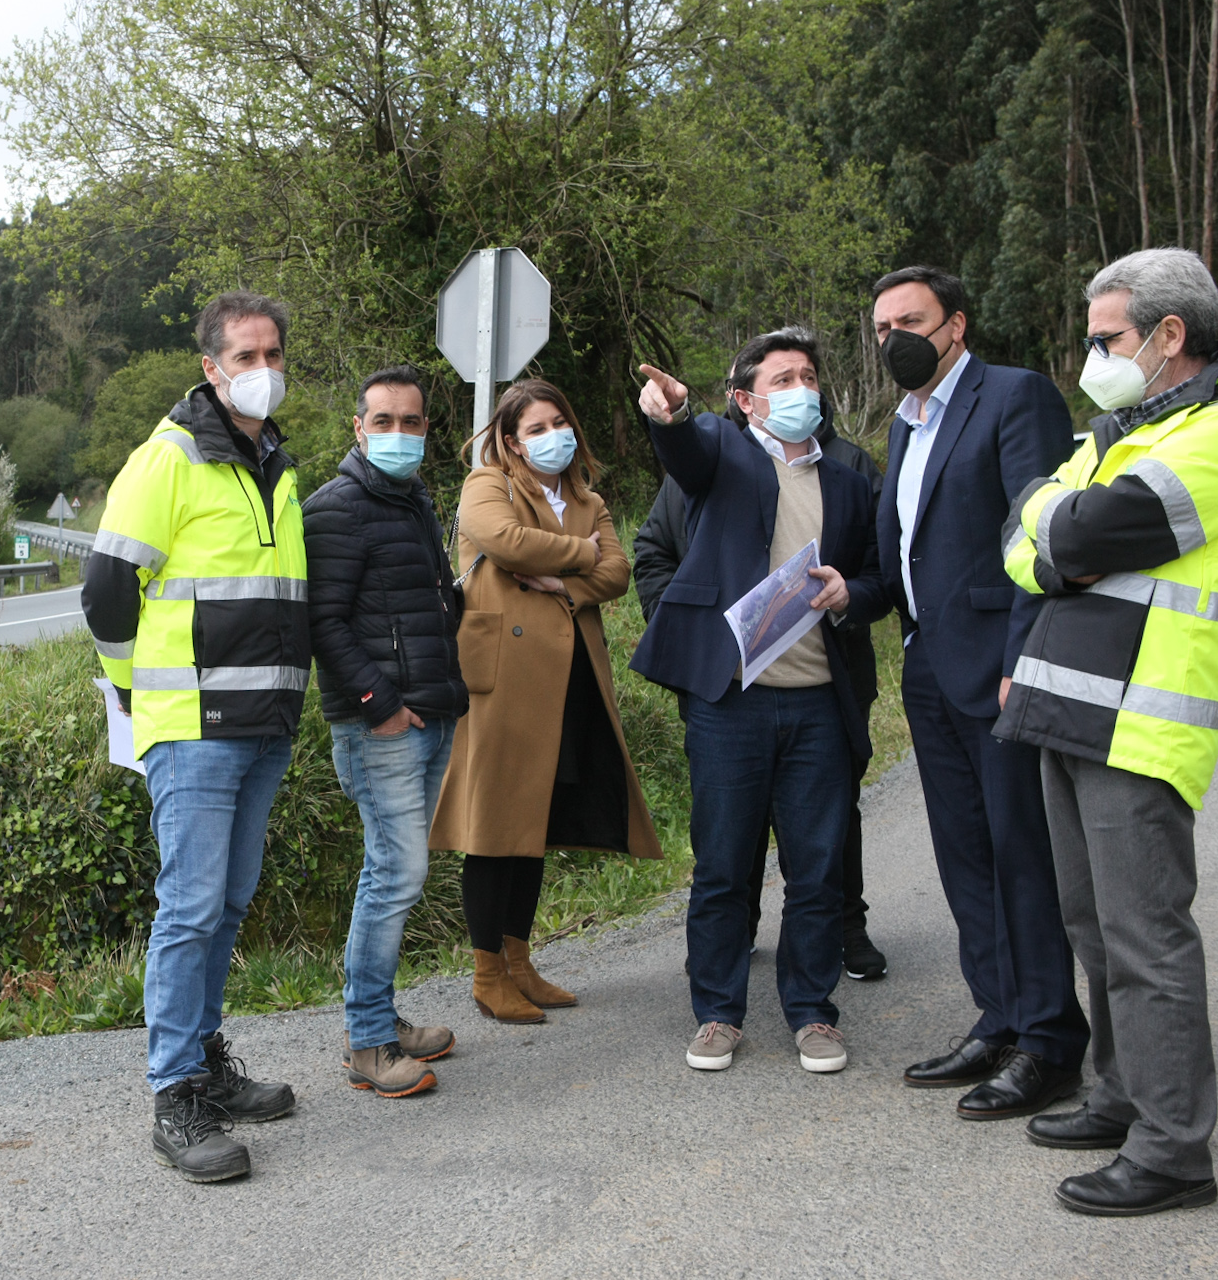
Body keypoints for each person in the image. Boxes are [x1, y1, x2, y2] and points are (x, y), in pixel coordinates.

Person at [998, 248, 1218, 1216]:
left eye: (1105, 337)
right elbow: (1022, 531)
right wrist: (1054, 525)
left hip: (1141, 717)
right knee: (1090, 926)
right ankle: (1120, 1092)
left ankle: (1171, 1150)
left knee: (1143, 937)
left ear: (1169, 336)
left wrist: (1057, 528)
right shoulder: (1129, 425)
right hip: (1068, 703)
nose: (1089, 356)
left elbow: (1080, 533)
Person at [83, 290, 312, 1184]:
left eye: (273, 356)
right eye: (246, 357)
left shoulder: (276, 466)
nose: (264, 371)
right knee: (189, 905)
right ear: (211, 369)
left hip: (265, 724)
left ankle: (206, 1061)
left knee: (227, 901)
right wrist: (139, 693)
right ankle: (174, 1094)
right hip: (196, 727)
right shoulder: (168, 459)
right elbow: (106, 592)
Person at [863, 265, 1090, 1124]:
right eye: (882, 328)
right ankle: (998, 1018)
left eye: (909, 322)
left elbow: (1042, 528)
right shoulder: (905, 422)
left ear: (955, 324)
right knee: (965, 857)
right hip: (929, 668)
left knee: (1020, 855)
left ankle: (1050, 1042)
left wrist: (1024, 654)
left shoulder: (1015, 396)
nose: (894, 340)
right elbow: (911, 551)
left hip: (999, 664)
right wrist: (859, 592)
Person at [630, 329, 878, 1076]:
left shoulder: (849, 477)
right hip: (731, 707)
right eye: (783, 379)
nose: (803, 388)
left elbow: (877, 578)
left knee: (817, 869)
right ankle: (717, 1013)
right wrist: (669, 415)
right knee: (723, 868)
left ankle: (812, 1013)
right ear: (745, 400)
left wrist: (850, 595)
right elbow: (686, 448)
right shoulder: (723, 455)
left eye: (809, 375)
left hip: (818, 707)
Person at [429, 379, 662, 1025]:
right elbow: (503, 541)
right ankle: (486, 972)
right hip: (503, 679)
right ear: (510, 440)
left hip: (569, 676)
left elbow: (617, 574)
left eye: (559, 422)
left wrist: (563, 578)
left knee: (531, 824)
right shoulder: (488, 484)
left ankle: (520, 962)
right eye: (535, 428)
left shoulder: (588, 497)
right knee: (494, 826)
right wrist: (582, 554)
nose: (551, 436)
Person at [303, 365, 468, 1099]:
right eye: (384, 422)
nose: (399, 434)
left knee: (397, 872)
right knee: (394, 876)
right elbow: (324, 622)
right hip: (383, 728)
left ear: (427, 429)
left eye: (412, 422)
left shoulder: (413, 501)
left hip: (432, 715)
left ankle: (383, 1017)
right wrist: (380, 703)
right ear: (359, 429)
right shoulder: (336, 508)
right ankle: (368, 1041)